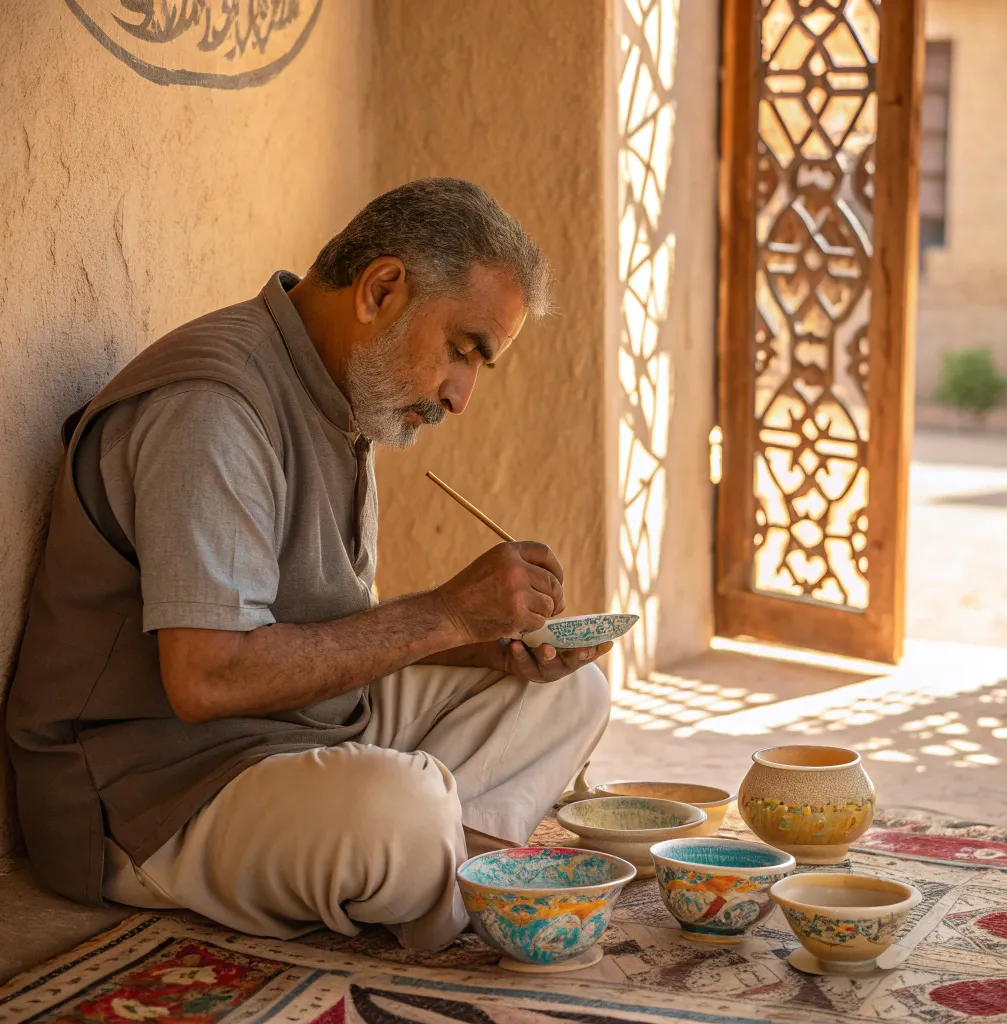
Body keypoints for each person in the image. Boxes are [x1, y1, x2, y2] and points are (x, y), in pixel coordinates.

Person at [6, 178, 612, 951]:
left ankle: (440, 885)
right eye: (462, 350)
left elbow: (331, 631)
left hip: (290, 733)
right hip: (151, 789)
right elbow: (207, 679)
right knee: (402, 810)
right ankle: (442, 878)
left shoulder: (342, 394)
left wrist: (489, 642)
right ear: (383, 289)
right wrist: (447, 612)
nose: (461, 396)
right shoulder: (213, 405)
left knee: (569, 694)